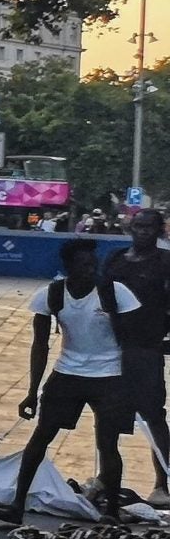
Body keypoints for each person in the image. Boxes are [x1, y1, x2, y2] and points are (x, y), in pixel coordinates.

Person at [0, 238, 138, 526]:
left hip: (109, 375)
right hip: (67, 373)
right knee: (41, 437)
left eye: (93, 264)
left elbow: (133, 339)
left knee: (108, 443)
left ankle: (112, 512)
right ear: (67, 266)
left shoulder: (114, 292)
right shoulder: (52, 294)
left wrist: (132, 384)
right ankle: (16, 505)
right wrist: (32, 392)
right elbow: (40, 345)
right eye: (83, 264)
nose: (90, 269)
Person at [103, 208, 170, 500]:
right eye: (138, 226)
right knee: (108, 416)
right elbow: (102, 299)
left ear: (159, 231)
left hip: (146, 349)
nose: (143, 231)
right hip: (112, 349)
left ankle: (162, 484)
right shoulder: (115, 259)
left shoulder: (166, 262)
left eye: (149, 227)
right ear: (131, 228)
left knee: (154, 416)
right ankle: (107, 478)